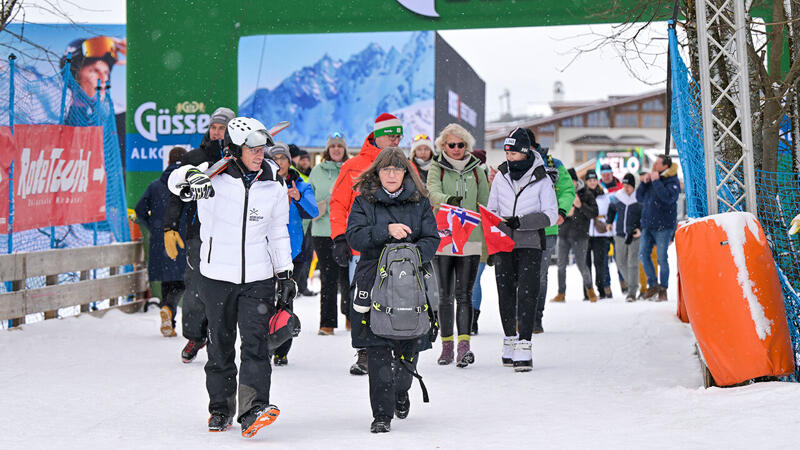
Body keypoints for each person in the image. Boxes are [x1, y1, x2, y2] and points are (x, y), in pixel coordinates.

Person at [170, 116, 294, 437]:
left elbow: (278, 231)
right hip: (216, 277)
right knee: (220, 345)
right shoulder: (214, 178)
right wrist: (192, 177)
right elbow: (176, 180)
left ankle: (253, 409)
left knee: (256, 344)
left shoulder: (273, 184)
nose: (259, 154)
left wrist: (285, 272)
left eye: (262, 148)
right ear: (236, 149)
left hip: (258, 278)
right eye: (252, 148)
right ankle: (220, 408)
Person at [346, 147, 439, 433]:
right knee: (377, 347)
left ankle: (401, 390)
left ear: (405, 173)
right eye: (385, 169)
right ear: (377, 172)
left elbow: (432, 239)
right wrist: (385, 230)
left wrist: (408, 257)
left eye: (396, 169)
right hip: (373, 280)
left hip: (411, 283)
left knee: (410, 343)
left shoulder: (420, 202)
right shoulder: (363, 201)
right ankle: (382, 414)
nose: (390, 174)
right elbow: (355, 236)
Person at [329, 112, 405, 375]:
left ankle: (396, 348)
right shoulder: (354, 166)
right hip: (363, 249)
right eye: (391, 135)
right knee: (363, 301)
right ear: (377, 135)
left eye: (399, 135)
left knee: (398, 300)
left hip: (399, 250)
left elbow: (421, 201)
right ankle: (365, 352)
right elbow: (339, 203)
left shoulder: (406, 164)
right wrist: (339, 237)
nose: (395, 140)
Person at [163, 106, 235, 363]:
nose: (216, 132)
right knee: (195, 285)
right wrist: (170, 226)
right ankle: (196, 335)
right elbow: (176, 193)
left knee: (227, 288)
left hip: (231, 234)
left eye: (222, 128)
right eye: (213, 127)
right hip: (198, 234)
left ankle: (221, 338)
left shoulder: (238, 161)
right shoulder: (194, 157)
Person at [488, 128, 558, 372]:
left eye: (514, 152)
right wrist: (497, 227)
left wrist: (523, 221)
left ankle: (525, 344)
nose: (509, 157)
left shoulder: (542, 178)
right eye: (507, 152)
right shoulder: (501, 176)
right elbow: (492, 209)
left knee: (527, 293)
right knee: (505, 292)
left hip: (530, 242)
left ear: (526, 152)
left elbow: (551, 215)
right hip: (504, 243)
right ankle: (509, 340)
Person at [427, 123, 489, 367]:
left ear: (467, 146)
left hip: (471, 238)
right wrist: (448, 201)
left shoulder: (477, 170)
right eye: (450, 144)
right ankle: (446, 347)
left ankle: (464, 347)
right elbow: (432, 192)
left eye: (460, 145)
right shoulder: (436, 168)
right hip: (444, 237)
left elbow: (485, 203)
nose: (455, 149)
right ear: (443, 146)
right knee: (444, 296)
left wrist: (490, 239)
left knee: (464, 295)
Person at [266, 143, 318, 365]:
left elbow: (313, 211)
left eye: (283, 158)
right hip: (265, 251)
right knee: (264, 301)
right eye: (275, 158)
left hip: (293, 252)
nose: (279, 162)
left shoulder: (301, 184)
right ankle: (264, 346)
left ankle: (281, 349)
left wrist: (297, 197)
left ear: (290, 161)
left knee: (285, 302)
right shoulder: (262, 183)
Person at [135, 147, 188, 337]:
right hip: (183, 240)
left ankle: (168, 315)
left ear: (168, 162)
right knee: (182, 282)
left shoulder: (155, 186)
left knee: (168, 282)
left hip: (162, 240)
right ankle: (170, 308)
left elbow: (140, 210)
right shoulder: (188, 186)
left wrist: (155, 228)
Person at [528, 129, 575, 333]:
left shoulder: (553, 164)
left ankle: (536, 317)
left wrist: (562, 211)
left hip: (547, 229)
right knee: (519, 276)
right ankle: (521, 315)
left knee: (539, 275)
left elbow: (567, 189)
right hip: (519, 229)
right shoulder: (509, 166)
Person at [308, 133, 351, 335]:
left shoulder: (352, 169)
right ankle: (327, 323)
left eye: (339, 146)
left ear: (344, 149)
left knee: (349, 277)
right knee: (328, 278)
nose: (336, 149)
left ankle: (351, 317)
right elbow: (308, 201)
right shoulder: (317, 171)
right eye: (332, 146)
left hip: (347, 230)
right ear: (327, 150)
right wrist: (323, 204)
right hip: (323, 231)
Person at [637, 154, 681, 301]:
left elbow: (668, 198)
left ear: (665, 166)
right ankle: (653, 284)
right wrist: (644, 183)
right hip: (648, 225)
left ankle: (663, 288)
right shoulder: (651, 178)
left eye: (657, 163)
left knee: (662, 258)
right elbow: (639, 197)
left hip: (664, 226)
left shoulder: (672, 180)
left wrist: (656, 182)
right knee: (643, 254)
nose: (654, 165)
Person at [552, 168, 599, 303]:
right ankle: (561, 293)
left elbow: (594, 213)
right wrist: (566, 214)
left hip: (580, 236)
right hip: (564, 234)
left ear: (576, 181)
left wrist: (580, 206)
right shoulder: (561, 193)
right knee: (561, 265)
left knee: (581, 265)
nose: (570, 184)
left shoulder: (586, 194)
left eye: (571, 181)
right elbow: (556, 212)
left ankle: (590, 290)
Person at [606, 173, 643, 302]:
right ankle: (633, 283)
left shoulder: (639, 198)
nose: (626, 188)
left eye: (629, 186)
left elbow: (644, 216)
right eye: (625, 185)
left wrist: (640, 229)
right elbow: (611, 209)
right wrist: (609, 222)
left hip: (635, 235)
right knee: (620, 261)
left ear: (633, 186)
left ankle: (632, 292)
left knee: (632, 262)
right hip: (620, 234)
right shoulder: (618, 197)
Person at [469, 148, 489, 335]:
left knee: (473, 279)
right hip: (465, 235)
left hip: (481, 237)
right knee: (469, 280)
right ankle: (468, 317)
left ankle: (472, 318)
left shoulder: (488, 181)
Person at [585, 169, 613, 298]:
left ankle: (601, 289)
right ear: (586, 182)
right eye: (590, 180)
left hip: (600, 232)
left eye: (594, 180)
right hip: (585, 232)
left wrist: (607, 223)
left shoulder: (603, 194)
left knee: (600, 262)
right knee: (586, 264)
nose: (592, 182)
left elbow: (610, 210)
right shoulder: (582, 194)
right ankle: (587, 291)